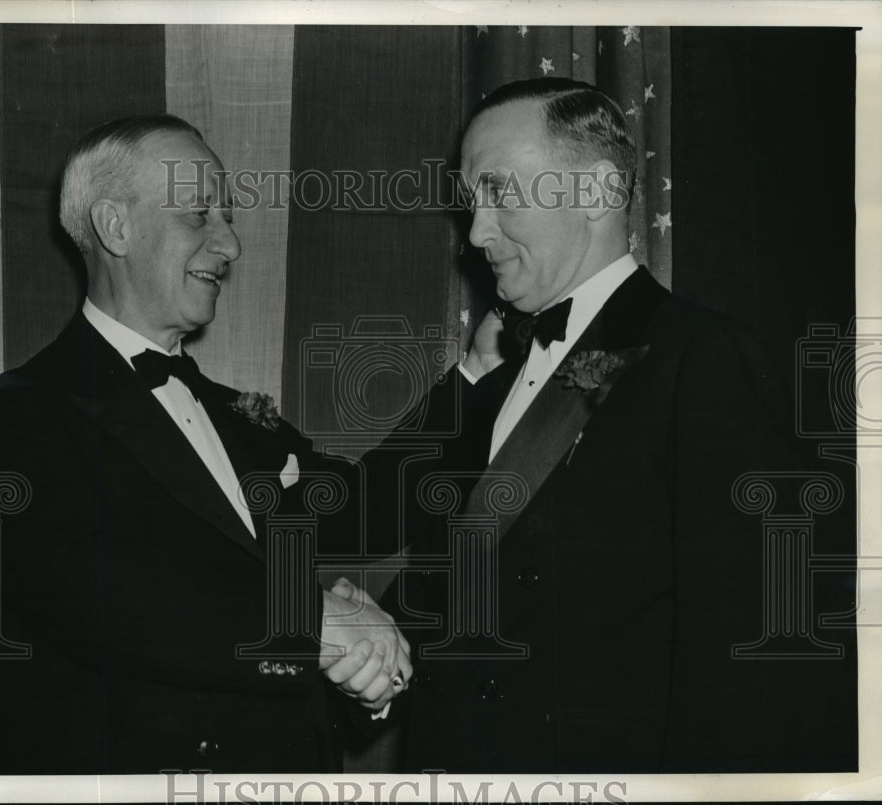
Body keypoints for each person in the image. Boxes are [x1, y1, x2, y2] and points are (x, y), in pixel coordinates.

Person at [362, 77, 857, 773]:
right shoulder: (499, 386)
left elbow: (753, 652)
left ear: (593, 192)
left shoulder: (706, 358)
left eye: (501, 192)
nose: (475, 234)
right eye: (473, 202)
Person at [0, 114, 410, 775]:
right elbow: (100, 597)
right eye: (200, 214)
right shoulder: (18, 412)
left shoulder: (237, 419)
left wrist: (482, 376)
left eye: (227, 217)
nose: (230, 245)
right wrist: (316, 624)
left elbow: (375, 508)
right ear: (116, 227)